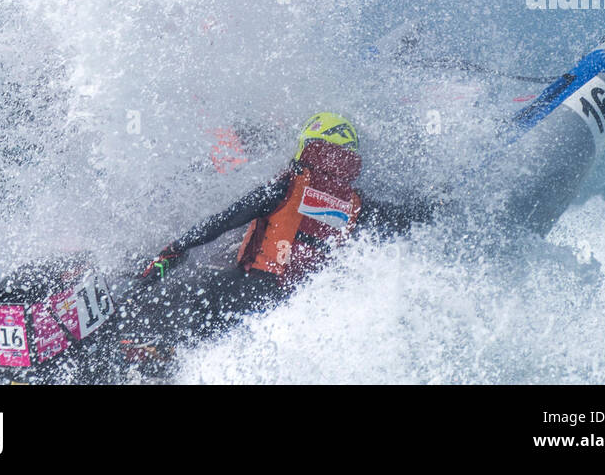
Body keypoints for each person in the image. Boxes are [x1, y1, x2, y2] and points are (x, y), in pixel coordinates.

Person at [114, 112, 439, 374]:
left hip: (257, 288)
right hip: (301, 305)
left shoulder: (290, 185)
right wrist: (440, 205)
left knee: (203, 286)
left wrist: (177, 247)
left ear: (308, 145)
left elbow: (227, 219)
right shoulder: (358, 205)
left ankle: (180, 356)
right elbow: (405, 218)